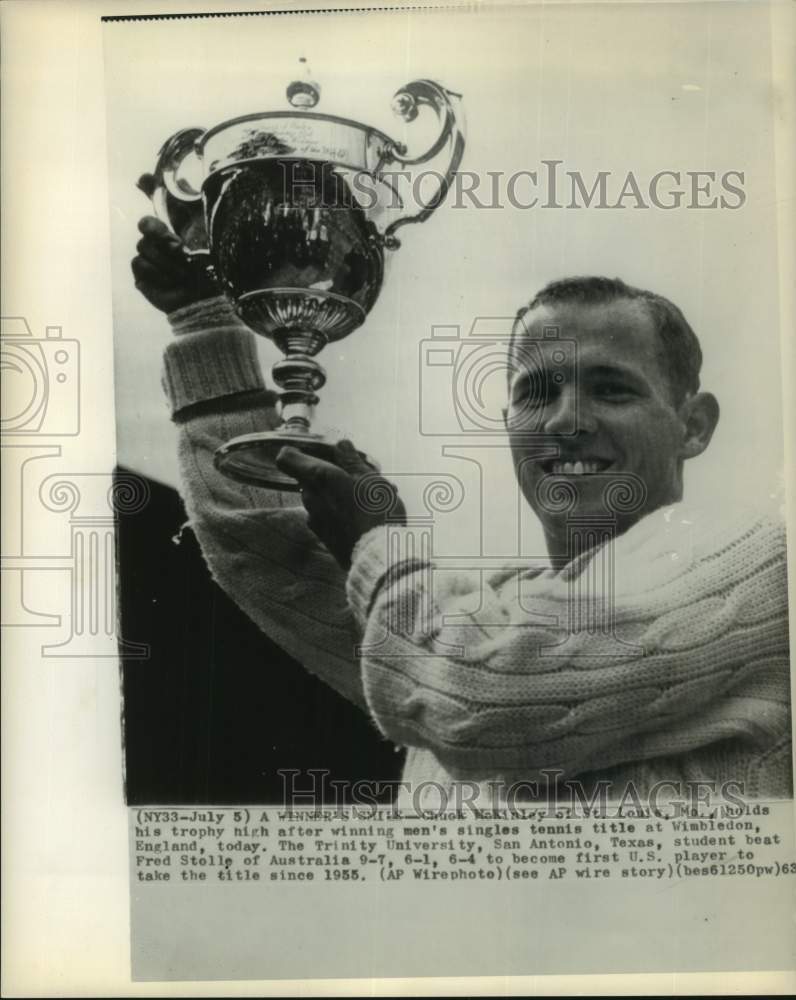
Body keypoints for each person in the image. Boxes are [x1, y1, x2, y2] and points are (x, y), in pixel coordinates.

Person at [132, 213, 792, 805]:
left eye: (612, 388)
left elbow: (482, 695)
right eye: (537, 392)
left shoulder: (763, 563)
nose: (566, 420)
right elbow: (264, 559)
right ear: (508, 424)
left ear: (694, 425)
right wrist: (203, 321)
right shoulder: (454, 618)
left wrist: (379, 545)